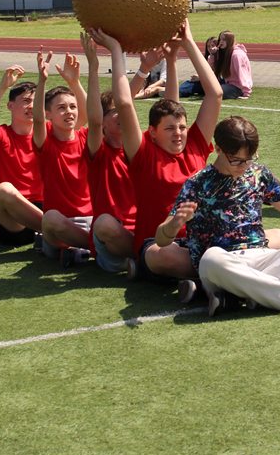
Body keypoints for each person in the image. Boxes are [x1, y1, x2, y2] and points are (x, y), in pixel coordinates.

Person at [163, 116, 280, 316]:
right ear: (218, 149)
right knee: (211, 259)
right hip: (224, 264)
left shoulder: (259, 174)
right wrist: (175, 224)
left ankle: (240, 296)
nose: (244, 166)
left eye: (249, 159)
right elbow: (161, 238)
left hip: (262, 255)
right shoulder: (197, 183)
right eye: (236, 160)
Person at [89, 21, 222, 282]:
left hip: (201, 243)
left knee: (278, 236)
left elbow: (215, 95)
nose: (179, 133)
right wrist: (115, 50)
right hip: (159, 246)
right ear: (152, 132)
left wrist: (187, 44)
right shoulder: (143, 154)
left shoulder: (195, 144)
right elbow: (124, 103)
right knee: (161, 256)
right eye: (170, 129)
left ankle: (209, 277)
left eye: (182, 127)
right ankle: (219, 276)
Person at [81, 31, 137, 275]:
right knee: (105, 224)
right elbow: (93, 121)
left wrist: (148, 68)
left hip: (142, 232)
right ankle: (142, 262)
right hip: (114, 241)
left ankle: (144, 263)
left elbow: (128, 103)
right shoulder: (99, 152)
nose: (122, 115)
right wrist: (93, 68)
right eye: (115, 112)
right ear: (104, 122)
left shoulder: (138, 149)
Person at [33, 49, 94, 266]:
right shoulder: (46, 142)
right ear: (48, 114)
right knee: (50, 218)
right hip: (61, 223)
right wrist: (42, 81)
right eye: (61, 108)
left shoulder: (85, 137)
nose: (69, 111)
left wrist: (75, 83)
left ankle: (83, 249)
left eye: (72, 107)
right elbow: (37, 120)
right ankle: (94, 248)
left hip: (90, 220)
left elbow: (92, 116)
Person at [0, 69, 44, 246]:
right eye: (26, 101)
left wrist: (74, 82)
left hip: (44, 206)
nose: (31, 106)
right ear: (10, 106)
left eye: (36, 101)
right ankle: (53, 232)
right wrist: (2, 88)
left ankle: (52, 233)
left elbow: (82, 120)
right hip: (14, 220)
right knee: (4, 190)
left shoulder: (47, 133)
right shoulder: (1, 135)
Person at [214, 30, 253, 99]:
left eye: (224, 40)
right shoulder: (225, 53)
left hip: (238, 87)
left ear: (230, 41)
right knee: (208, 87)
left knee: (214, 92)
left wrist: (246, 92)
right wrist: (213, 55)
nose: (221, 42)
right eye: (220, 39)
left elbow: (242, 73)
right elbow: (212, 68)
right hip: (228, 83)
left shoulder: (236, 55)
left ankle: (241, 91)